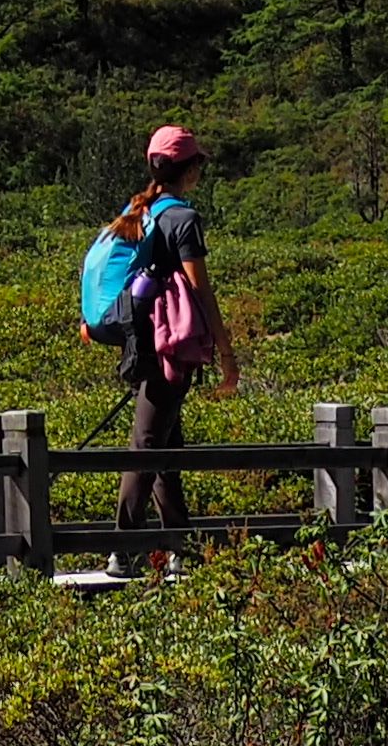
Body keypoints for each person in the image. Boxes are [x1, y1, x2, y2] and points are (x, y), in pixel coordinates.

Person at [97, 123, 231, 568]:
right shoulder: (183, 219)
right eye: (198, 167)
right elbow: (201, 292)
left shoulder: (141, 211)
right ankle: (124, 547)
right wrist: (227, 356)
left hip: (140, 343)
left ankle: (179, 546)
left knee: (164, 442)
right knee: (150, 443)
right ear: (188, 170)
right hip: (168, 350)